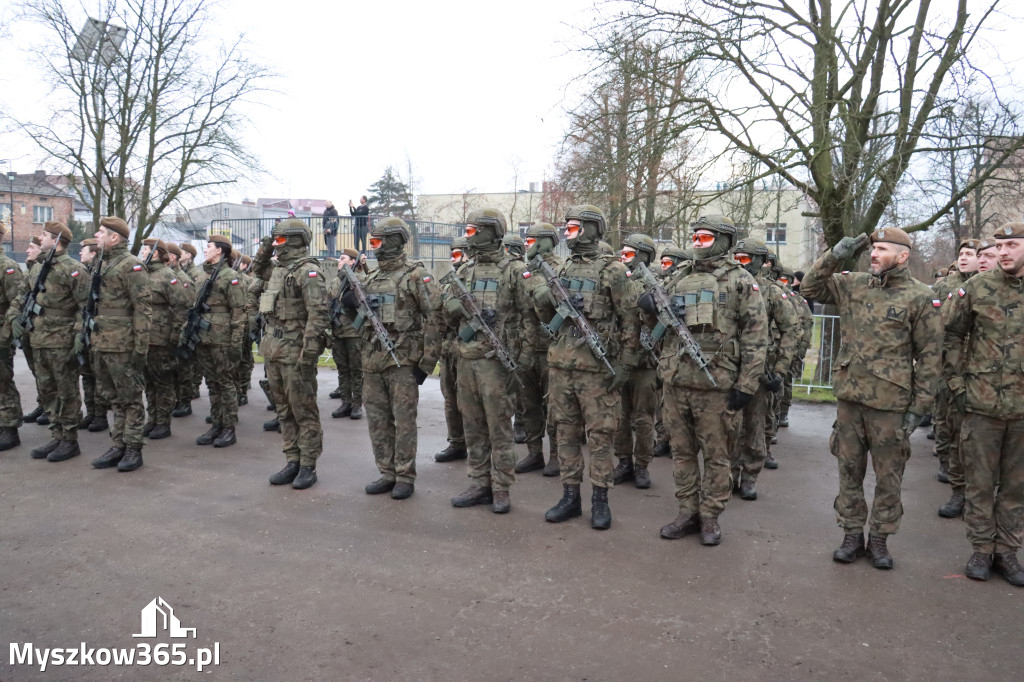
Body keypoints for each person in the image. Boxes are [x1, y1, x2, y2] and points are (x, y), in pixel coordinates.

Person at [801, 227, 941, 569]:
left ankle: (879, 539)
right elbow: (809, 287)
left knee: (889, 476)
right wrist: (836, 253)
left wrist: (919, 409)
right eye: (872, 249)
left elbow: (931, 356)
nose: (873, 254)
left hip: (891, 406)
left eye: (881, 249)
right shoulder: (853, 284)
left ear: (902, 256)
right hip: (850, 401)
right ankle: (851, 534)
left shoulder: (920, 296)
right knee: (849, 471)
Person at [647, 216, 768, 545]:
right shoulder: (679, 276)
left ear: (725, 240)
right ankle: (687, 511)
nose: (698, 242)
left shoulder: (741, 281)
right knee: (682, 453)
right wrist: (648, 307)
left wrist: (746, 386)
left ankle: (711, 515)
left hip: (717, 384)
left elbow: (757, 338)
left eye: (705, 237)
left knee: (717, 456)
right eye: (695, 237)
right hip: (677, 381)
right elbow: (658, 320)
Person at [533, 205, 639, 530]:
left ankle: (600, 500)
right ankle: (570, 497)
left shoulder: (614, 271)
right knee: (565, 434)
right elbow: (547, 319)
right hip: (562, 366)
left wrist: (626, 364)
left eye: (574, 226)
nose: (567, 230)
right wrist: (544, 299)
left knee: (600, 438)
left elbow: (630, 321)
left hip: (597, 370)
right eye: (566, 226)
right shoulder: (563, 269)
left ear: (593, 228)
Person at [944, 221, 1024, 586]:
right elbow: (950, 335)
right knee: (978, 482)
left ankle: (1007, 551)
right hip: (980, 404)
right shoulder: (977, 288)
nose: (1004, 252)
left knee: (1016, 485)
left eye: (1012, 245)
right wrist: (957, 386)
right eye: (1000, 245)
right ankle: (980, 548)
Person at [444, 208, 532, 514]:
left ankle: (501, 487)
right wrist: (452, 305)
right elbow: (444, 308)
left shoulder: (514, 270)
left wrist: (521, 359)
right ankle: (479, 481)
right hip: (467, 360)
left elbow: (528, 317)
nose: (468, 236)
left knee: (498, 427)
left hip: (497, 363)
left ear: (490, 232)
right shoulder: (465, 271)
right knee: (472, 425)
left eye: (473, 231)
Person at [345, 217, 440, 500]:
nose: (373, 247)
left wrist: (426, 363)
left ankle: (405, 476)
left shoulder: (415, 275)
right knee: (377, 420)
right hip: (373, 361)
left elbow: (435, 319)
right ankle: (386, 472)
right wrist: (349, 305)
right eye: (372, 242)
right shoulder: (371, 278)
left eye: (377, 242)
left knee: (404, 421)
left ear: (394, 241)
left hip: (403, 362)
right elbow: (361, 322)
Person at [253, 219, 329, 490]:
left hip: (296, 354)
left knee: (303, 410)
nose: (276, 244)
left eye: (281, 239)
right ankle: (292, 459)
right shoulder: (278, 270)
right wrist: (265, 244)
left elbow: (318, 316)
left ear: (295, 240)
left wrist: (308, 355)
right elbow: (257, 269)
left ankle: (308, 464)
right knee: (283, 410)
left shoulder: (307, 272)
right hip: (274, 351)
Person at [8, 222, 87, 461]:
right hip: (38, 338)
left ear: (56, 240)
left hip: (62, 340)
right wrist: (13, 317)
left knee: (67, 390)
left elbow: (85, 307)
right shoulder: (38, 267)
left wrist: (79, 335)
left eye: (44, 236)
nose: (40, 239)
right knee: (47, 390)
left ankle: (70, 440)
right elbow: (22, 295)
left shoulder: (73, 268)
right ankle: (57, 435)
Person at [727, 238, 799, 499]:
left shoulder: (770, 291)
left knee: (754, 426)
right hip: (727, 366)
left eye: (745, 259)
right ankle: (728, 474)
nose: (739, 263)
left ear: (761, 261)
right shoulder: (727, 284)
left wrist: (779, 371)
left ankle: (749, 476)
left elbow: (792, 329)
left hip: (759, 369)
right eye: (736, 258)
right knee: (727, 425)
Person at [87, 216, 153, 473]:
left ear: (114, 237)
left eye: (101, 232)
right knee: (113, 397)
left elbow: (143, 309)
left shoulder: (131, 265)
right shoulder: (101, 263)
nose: (97, 234)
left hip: (123, 343)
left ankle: (133, 448)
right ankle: (118, 444)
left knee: (130, 398)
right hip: (102, 341)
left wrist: (141, 347)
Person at [513, 223, 563, 476]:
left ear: (545, 241)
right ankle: (534, 454)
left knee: (553, 406)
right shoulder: (524, 271)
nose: (526, 243)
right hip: (526, 348)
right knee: (528, 405)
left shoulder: (560, 269)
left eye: (531, 239)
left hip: (551, 349)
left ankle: (556, 455)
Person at [187, 234, 246, 449]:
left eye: (209, 246)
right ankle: (217, 424)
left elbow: (239, 313)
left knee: (225, 384)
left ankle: (228, 428)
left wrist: (236, 343)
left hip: (222, 339)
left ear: (219, 250)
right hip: (204, 338)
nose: (205, 249)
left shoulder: (231, 276)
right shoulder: (202, 276)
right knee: (212, 384)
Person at [931, 239, 980, 492]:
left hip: (975, 367)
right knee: (944, 415)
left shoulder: (984, 285)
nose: (963, 258)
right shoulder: (946, 286)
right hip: (947, 361)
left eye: (969, 253)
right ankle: (945, 462)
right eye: (961, 253)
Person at [612, 232, 660, 489]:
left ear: (644, 257)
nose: (623, 258)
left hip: (644, 364)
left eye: (629, 254)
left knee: (643, 419)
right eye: (623, 253)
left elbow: (662, 326)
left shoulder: (656, 285)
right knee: (619, 416)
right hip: (617, 359)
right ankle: (623, 462)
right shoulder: (617, 280)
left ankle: (641, 465)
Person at [140, 239, 189, 441]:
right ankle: (152, 419)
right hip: (145, 335)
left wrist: (175, 335)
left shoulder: (169, 276)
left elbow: (181, 307)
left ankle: (163, 422)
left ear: (157, 253)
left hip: (162, 336)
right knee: (148, 381)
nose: (142, 252)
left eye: (145, 249)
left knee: (163, 381)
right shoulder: (142, 273)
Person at [435, 237, 470, 464]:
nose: (453, 258)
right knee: (450, 398)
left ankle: (477, 443)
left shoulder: (472, 277)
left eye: (457, 254)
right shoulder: (451, 281)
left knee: (469, 400)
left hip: (466, 347)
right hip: (448, 347)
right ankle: (456, 442)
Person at [327, 249, 364, 420]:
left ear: (352, 262)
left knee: (356, 370)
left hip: (354, 332)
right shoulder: (335, 282)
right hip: (338, 332)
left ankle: (357, 405)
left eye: (342, 259)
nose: (339, 261)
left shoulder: (359, 280)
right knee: (342, 369)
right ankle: (346, 402)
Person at [0, 220, 25, 451]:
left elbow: (16, 305)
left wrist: (6, 336)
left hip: (1, 334)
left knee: (3, 382)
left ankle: (9, 428)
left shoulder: (7, 267)